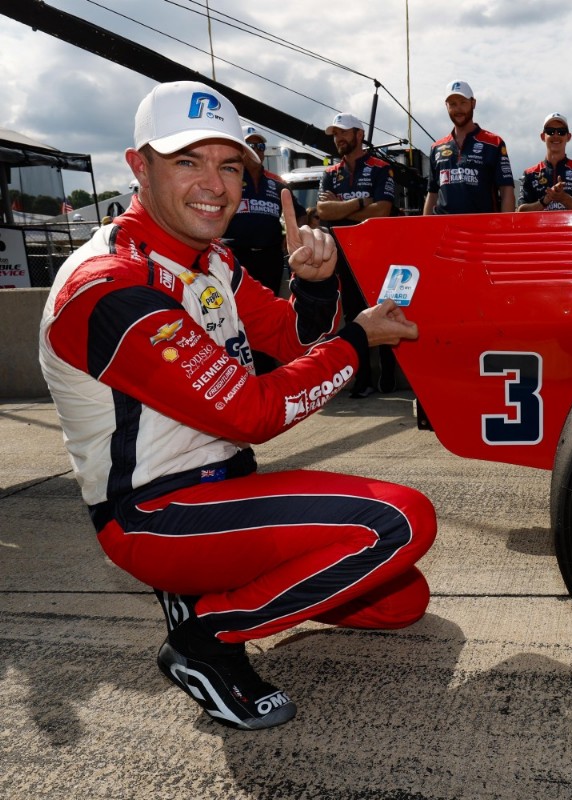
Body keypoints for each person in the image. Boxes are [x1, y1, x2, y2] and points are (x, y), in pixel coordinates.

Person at [38, 80, 435, 732]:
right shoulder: (107, 285)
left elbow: (286, 339)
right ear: (139, 167)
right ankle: (205, 638)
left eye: (227, 165)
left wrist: (315, 286)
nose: (214, 185)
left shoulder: (212, 259)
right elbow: (252, 412)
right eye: (187, 161)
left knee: (402, 601)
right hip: (155, 516)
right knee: (397, 524)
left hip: (229, 494)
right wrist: (359, 340)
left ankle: (208, 595)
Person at [317, 111, 398, 397]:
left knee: (384, 311)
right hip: (344, 257)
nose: (338, 138)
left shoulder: (380, 168)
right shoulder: (329, 173)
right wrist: (362, 202)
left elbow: (383, 211)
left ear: (359, 135)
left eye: (343, 133)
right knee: (354, 318)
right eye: (335, 134)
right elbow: (323, 211)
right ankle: (361, 380)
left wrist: (343, 206)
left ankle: (388, 377)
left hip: (377, 255)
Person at [224, 125, 306, 374]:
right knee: (235, 315)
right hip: (236, 257)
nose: (255, 150)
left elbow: (299, 215)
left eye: (260, 145)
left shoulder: (277, 182)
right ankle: (240, 367)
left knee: (265, 315)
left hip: (269, 257)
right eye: (250, 145)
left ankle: (265, 367)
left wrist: (293, 237)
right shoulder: (229, 177)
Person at [423, 80, 515, 215]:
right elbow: (432, 194)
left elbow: (506, 190)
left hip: (482, 229)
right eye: (453, 104)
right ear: (446, 106)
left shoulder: (494, 143)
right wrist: (426, 231)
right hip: (444, 230)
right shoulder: (437, 147)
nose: (458, 109)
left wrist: (505, 228)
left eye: (463, 102)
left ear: (473, 103)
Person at [516, 113, 572, 212]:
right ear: (542, 137)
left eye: (561, 132)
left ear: (568, 137)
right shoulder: (529, 174)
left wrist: (564, 199)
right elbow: (521, 211)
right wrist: (545, 200)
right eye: (550, 132)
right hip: (541, 227)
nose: (556, 136)